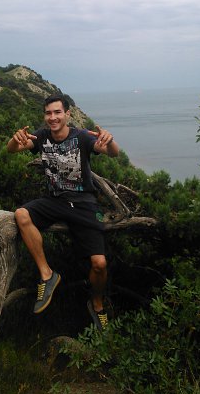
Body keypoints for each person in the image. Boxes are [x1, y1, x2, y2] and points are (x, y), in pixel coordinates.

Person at [7, 94, 120, 330]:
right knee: (21, 215)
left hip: (84, 203)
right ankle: (47, 275)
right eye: (48, 113)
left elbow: (113, 153)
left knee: (99, 264)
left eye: (57, 112)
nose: (53, 117)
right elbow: (12, 149)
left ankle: (97, 303)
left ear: (68, 114)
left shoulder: (82, 137)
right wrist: (15, 140)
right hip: (55, 200)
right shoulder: (41, 136)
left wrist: (109, 142)